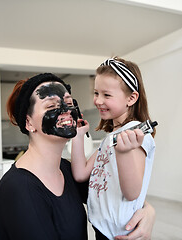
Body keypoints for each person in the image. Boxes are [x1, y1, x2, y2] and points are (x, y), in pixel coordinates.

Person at [0, 73, 155, 240]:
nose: (66, 111)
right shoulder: (17, 190)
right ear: (28, 123)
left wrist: (148, 211)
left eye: (69, 103)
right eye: (51, 106)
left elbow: (108, 194)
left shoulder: (65, 170)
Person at [71, 57, 156, 240]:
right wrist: (78, 135)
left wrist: (123, 153)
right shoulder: (110, 138)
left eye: (107, 95)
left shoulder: (135, 136)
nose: (98, 100)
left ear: (131, 98)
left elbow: (133, 193)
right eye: (96, 93)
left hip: (121, 232)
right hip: (102, 226)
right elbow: (80, 174)